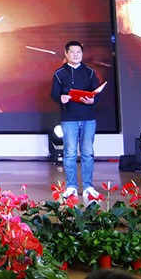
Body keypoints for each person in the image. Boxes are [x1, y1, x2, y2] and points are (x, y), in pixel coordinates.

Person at [50, 40, 101, 200]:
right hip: (69, 119)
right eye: (72, 52)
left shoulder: (90, 72)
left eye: (78, 52)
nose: (76, 55)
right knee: (70, 153)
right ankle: (71, 186)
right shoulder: (59, 73)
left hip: (88, 118)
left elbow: (97, 92)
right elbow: (54, 94)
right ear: (66, 54)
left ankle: (88, 187)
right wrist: (61, 98)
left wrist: (93, 100)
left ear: (82, 54)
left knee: (88, 153)